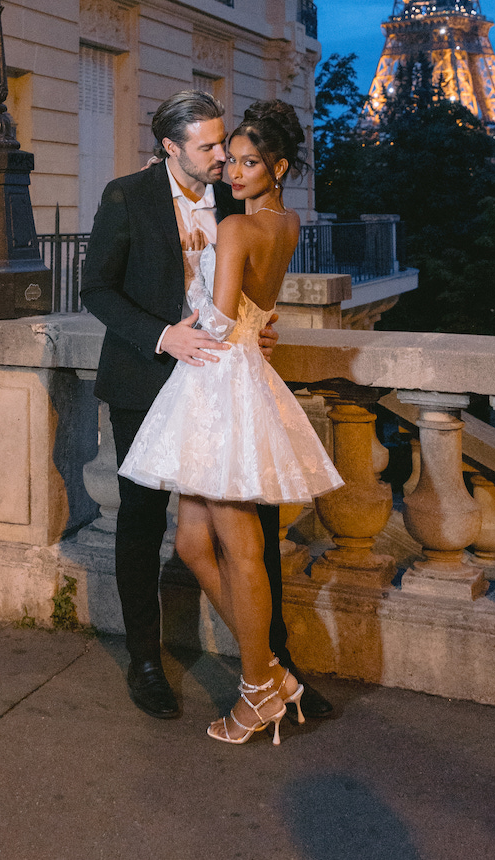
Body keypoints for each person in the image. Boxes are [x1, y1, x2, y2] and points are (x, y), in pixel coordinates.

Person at [81, 90, 333, 722]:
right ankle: (145, 661)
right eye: (209, 147)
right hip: (147, 376)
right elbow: (96, 290)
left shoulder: (236, 193)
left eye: (227, 144)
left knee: (255, 526)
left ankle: (272, 663)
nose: (223, 156)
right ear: (171, 147)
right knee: (140, 521)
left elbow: (250, 281)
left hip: (219, 380)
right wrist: (164, 336)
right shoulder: (125, 196)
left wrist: (256, 325)